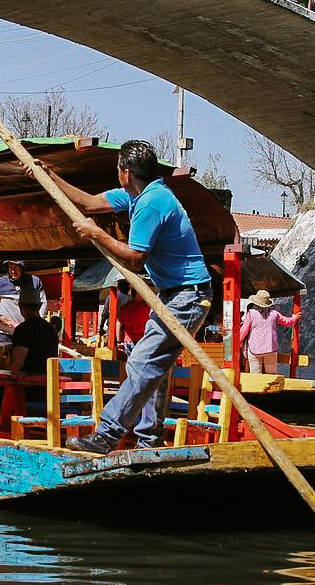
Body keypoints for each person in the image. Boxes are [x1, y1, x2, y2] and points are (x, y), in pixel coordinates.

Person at [27, 139, 211, 454]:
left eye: (118, 170)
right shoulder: (136, 194)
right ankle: (150, 440)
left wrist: (98, 234)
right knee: (154, 366)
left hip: (188, 297)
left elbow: (136, 258)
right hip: (171, 294)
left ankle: (108, 434)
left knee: (142, 361)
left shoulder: (152, 203)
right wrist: (49, 176)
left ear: (125, 173)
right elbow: (90, 204)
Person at [0, 285, 57, 432]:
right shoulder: (51, 331)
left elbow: (17, 365)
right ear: (39, 306)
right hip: (45, 390)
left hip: (24, 388)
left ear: (21, 307)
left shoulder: (23, 330)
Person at [0, 260, 47, 344]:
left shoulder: (35, 281)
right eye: (10, 267)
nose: (13, 271)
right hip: (6, 334)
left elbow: (43, 303)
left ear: (22, 268)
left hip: (29, 333)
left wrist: (36, 323)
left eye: (15, 268)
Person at [240, 289, 301, 374]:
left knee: (255, 374)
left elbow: (243, 331)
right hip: (271, 349)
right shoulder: (274, 313)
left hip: (254, 349)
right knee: (271, 374)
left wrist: (236, 341)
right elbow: (287, 321)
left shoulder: (251, 313)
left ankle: (258, 387)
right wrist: (294, 318)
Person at [115, 284, 150, 356]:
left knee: (130, 363)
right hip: (143, 340)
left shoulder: (125, 307)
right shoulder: (148, 307)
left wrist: (118, 340)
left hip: (129, 341)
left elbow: (119, 323)